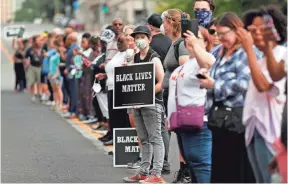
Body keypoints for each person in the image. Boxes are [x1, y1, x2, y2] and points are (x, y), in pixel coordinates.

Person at [199, 12, 260, 183]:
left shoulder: (246, 52)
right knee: (220, 171)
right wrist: (206, 77)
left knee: (237, 170)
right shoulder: (220, 51)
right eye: (218, 33)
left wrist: (215, 85)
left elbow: (245, 83)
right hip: (218, 120)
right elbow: (213, 73)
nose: (220, 38)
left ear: (237, 30)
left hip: (238, 120)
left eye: (224, 33)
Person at [241, 5, 287, 183]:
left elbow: (263, 85)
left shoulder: (282, 54)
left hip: (271, 131)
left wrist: (249, 51)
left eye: (262, 29)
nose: (257, 33)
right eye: (254, 29)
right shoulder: (262, 59)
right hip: (254, 128)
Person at [168, 27, 215, 183]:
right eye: (188, 37)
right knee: (192, 165)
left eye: (197, 37)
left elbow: (209, 63)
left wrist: (196, 45)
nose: (190, 39)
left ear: (206, 42)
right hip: (181, 123)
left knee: (201, 165)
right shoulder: (186, 64)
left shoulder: (201, 63)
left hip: (198, 122)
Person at [123, 25, 165, 183]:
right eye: (137, 37)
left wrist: (145, 96)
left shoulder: (154, 58)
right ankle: (143, 171)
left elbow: (161, 82)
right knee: (143, 138)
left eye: (142, 37)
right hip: (137, 104)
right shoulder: (135, 57)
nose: (139, 40)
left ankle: (156, 174)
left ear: (149, 39)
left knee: (155, 138)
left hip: (152, 104)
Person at [161, 9, 191, 183]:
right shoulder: (173, 44)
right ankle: (183, 170)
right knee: (178, 135)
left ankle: (186, 171)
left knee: (182, 134)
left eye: (164, 21)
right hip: (170, 96)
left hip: (178, 97)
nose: (162, 25)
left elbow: (185, 68)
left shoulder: (181, 44)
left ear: (171, 22)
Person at [145, 13, 172, 175]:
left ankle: (160, 162)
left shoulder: (151, 45)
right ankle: (164, 161)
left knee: (156, 127)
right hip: (167, 85)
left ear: (149, 27)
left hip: (154, 87)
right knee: (163, 127)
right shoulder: (170, 41)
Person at [96, 33, 131, 146]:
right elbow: (114, 69)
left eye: (122, 41)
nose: (119, 44)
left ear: (129, 41)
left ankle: (122, 148)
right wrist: (105, 75)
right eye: (118, 42)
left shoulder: (129, 53)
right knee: (114, 118)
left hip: (121, 90)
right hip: (111, 88)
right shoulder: (118, 54)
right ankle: (117, 145)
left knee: (121, 119)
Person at [63, 32, 80, 118]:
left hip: (73, 74)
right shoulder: (70, 49)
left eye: (67, 39)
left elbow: (76, 62)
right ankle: (71, 109)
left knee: (74, 93)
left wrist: (68, 68)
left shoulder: (75, 49)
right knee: (71, 92)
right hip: (70, 73)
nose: (65, 41)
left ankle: (73, 110)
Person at [25, 35, 44, 101]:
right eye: (38, 40)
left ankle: (40, 94)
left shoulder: (42, 49)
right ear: (34, 41)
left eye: (40, 40)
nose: (39, 42)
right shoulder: (30, 49)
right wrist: (26, 65)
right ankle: (33, 95)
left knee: (40, 81)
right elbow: (26, 58)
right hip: (32, 66)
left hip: (40, 66)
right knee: (32, 82)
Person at [48, 39, 63, 110]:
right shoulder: (54, 54)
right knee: (54, 90)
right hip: (52, 73)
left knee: (58, 89)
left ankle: (60, 103)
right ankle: (56, 102)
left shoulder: (58, 56)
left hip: (57, 75)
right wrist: (50, 73)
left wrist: (56, 74)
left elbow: (58, 66)